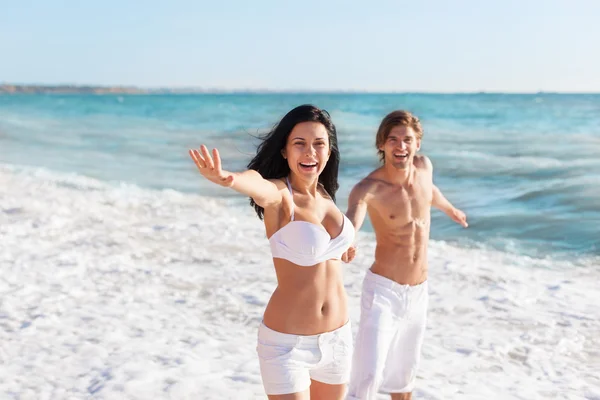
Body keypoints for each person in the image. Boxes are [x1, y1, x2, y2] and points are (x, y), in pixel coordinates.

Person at [189, 105, 355, 400]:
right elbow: (256, 184)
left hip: (338, 340)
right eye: (299, 144)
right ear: (284, 151)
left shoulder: (326, 195)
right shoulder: (280, 196)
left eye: (319, 144)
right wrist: (228, 178)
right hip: (288, 346)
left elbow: (325, 248)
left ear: (329, 151)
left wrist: (346, 244)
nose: (310, 153)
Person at [343, 110, 468, 400]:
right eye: (393, 140)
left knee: (403, 378)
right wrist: (346, 240)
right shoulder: (368, 188)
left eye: (407, 140)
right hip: (383, 293)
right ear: (382, 145)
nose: (401, 147)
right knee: (368, 377)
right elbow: (353, 217)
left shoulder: (424, 168)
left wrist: (450, 209)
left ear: (418, 144)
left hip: (418, 292)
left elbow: (431, 192)